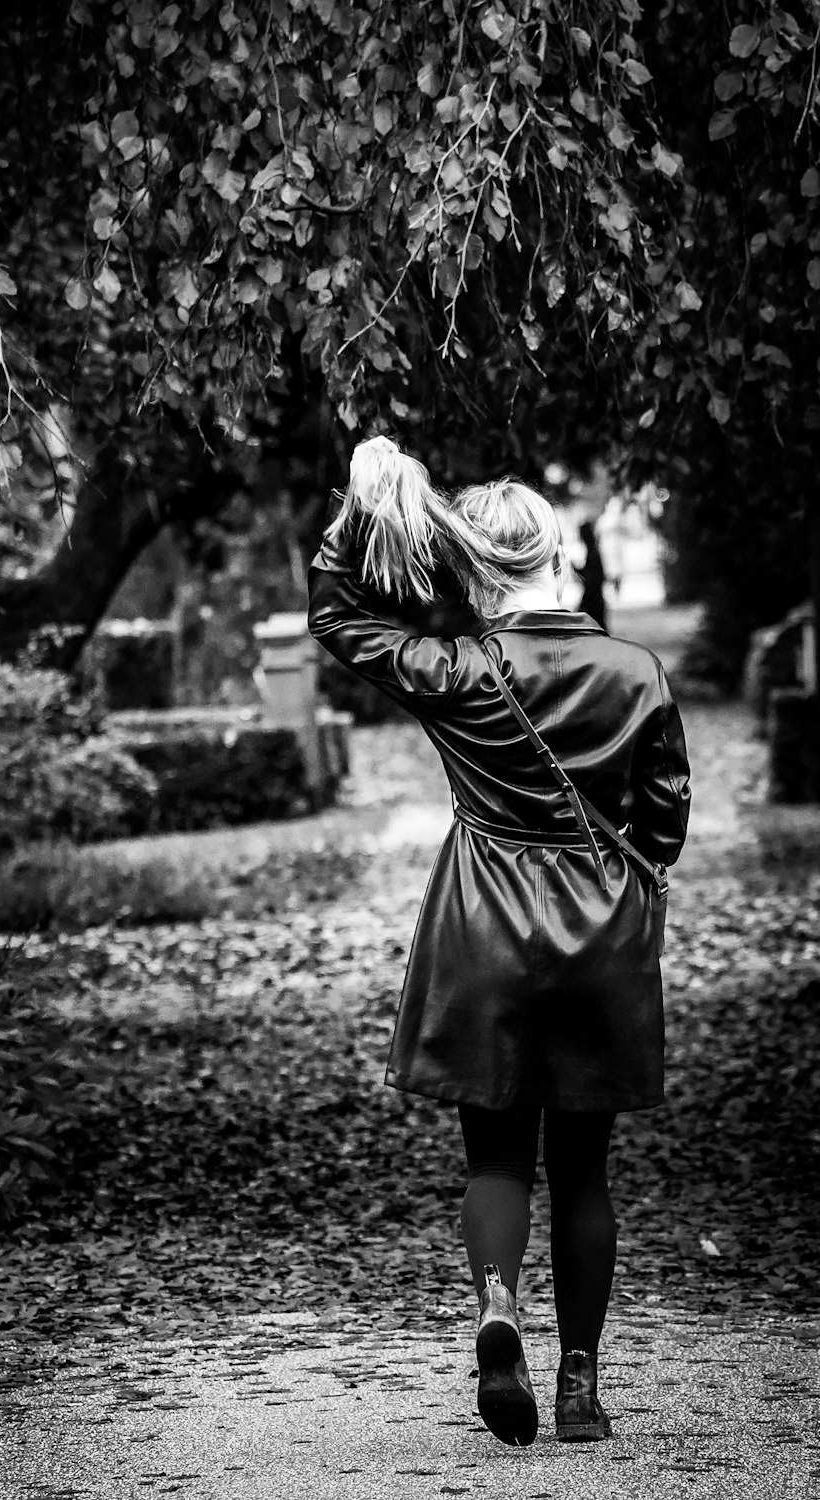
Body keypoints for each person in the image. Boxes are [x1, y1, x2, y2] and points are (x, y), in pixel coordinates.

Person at [308, 436, 690, 1449]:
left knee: (495, 1154)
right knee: (584, 1166)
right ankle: (580, 1387)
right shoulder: (634, 672)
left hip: (481, 934)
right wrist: (623, 878)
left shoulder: (455, 669)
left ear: (472, 568)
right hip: (601, 944)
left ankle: (495, 1310)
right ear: (556, 550)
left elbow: (340, 618)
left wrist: (363, 501)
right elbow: (663, 824)